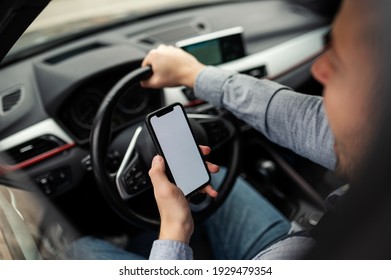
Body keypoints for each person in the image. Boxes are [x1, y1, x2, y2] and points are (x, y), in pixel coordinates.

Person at [65, 0, 378, 259]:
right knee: (211, 175)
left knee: (81, 249)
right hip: (294, 245)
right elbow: (311, 121)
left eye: (338, 63)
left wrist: (175, 231)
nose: (318, 70)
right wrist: (194, 73)